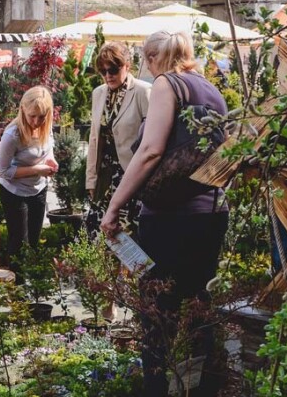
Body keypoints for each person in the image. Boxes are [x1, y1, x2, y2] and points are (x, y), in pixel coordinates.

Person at [101, 31, 229, 397]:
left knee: (157, 314)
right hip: (212, 213)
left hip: (169, 218)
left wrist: (115, 207)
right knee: (198, 308)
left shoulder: (165, 84)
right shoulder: (210, 89)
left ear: (154, 57)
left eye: (145, 58)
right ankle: (200, 388)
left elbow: (151, 151)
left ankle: (158, 389)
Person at [85, 42, 151, 236]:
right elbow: (94, 138)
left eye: (113, 69)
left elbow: (151, 139)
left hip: (131, 175)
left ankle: (133, 268)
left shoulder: (143, 91)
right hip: (104, 177)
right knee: (98, 234)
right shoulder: (98, 93)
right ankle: (106, 268)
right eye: (103, 71)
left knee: (130, 233)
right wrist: (91, 180)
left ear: (127, 65)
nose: (108, 76)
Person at [0, 86, 58, 266]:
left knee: (34, 241)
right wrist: (38, 169)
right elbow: (2, 171)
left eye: (42, 117)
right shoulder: (12, 134)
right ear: (23, 109)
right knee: (19, 245)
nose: (36, 121)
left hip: (38, 188)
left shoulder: (46, 126)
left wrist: (51, 161)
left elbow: (48, 149)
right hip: (14, 192)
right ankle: (15, 288)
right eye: (32, 116)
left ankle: (32, 286)